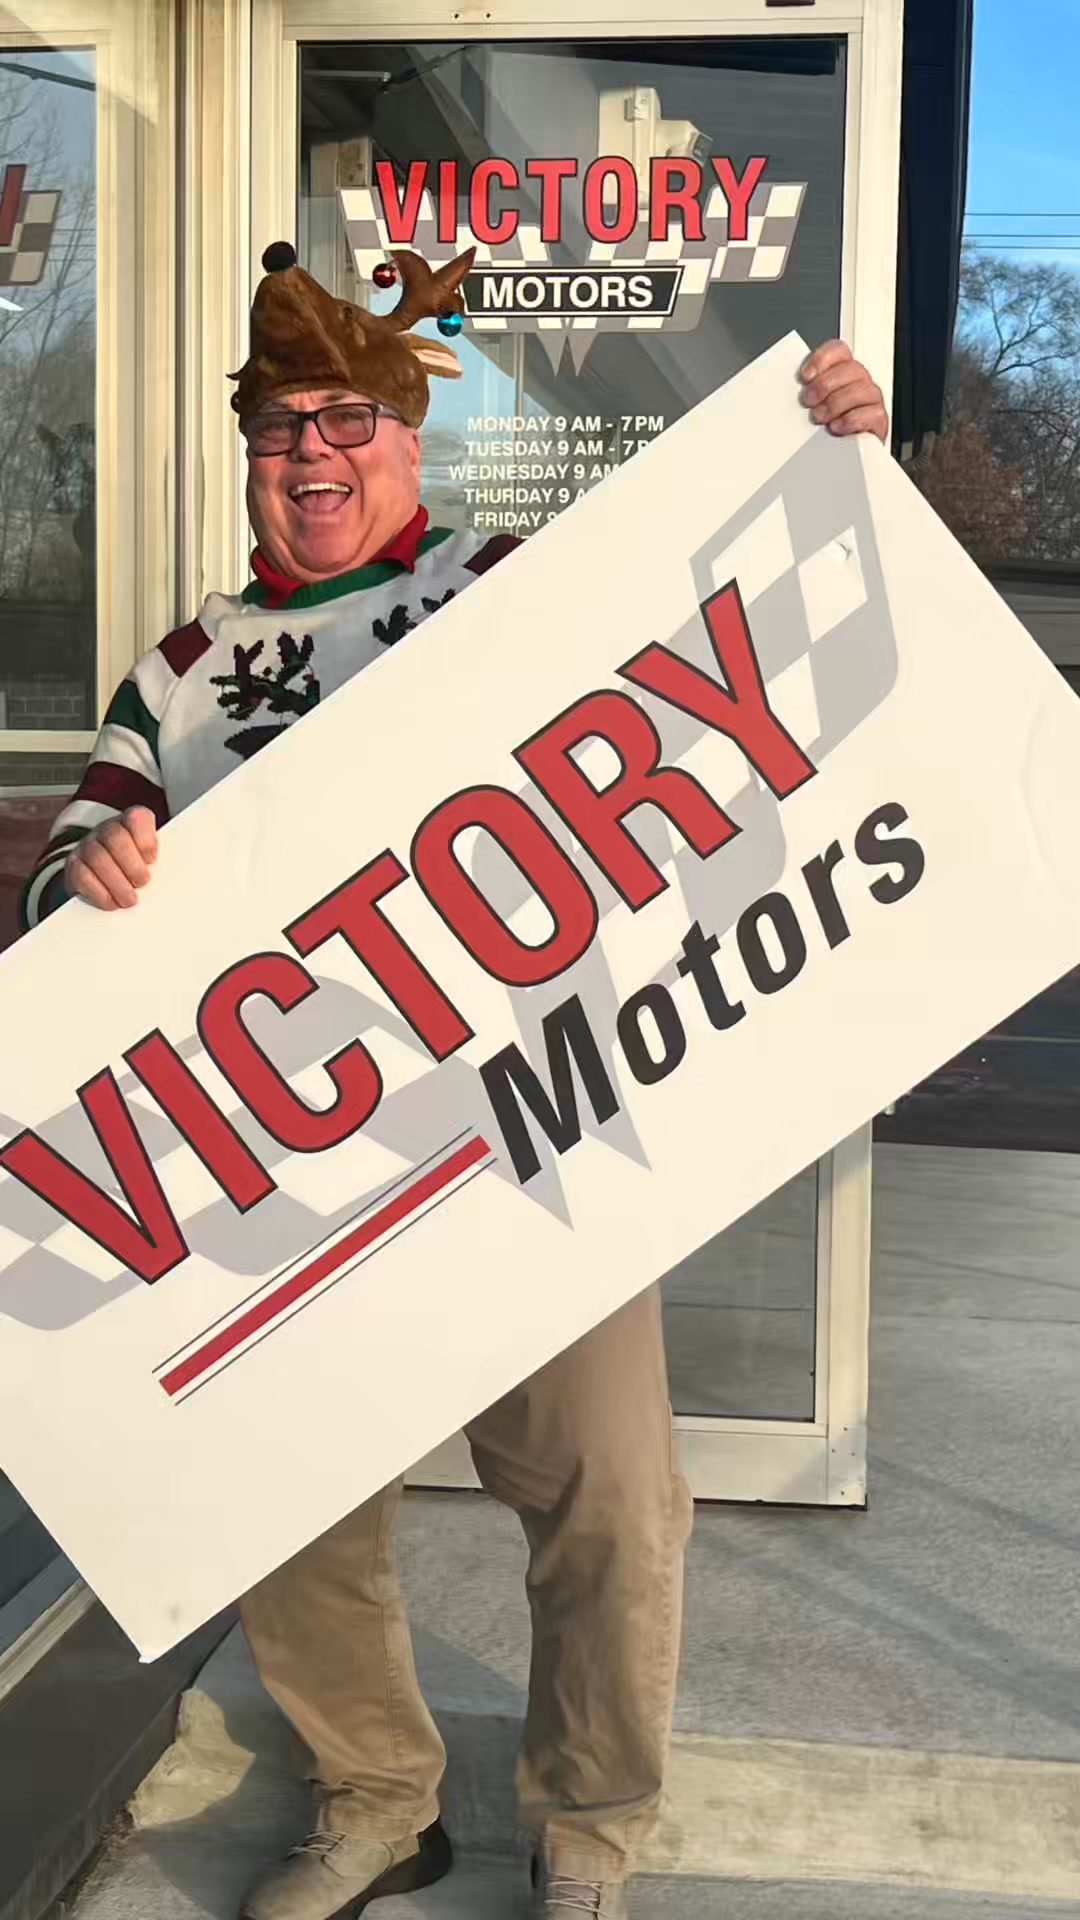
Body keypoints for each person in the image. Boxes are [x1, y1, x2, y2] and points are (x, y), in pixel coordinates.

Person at [21, 242, 888, 1919]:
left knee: (614, 1495)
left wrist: (837, 450)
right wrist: (94, 874)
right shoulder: (181, 667)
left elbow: (732, 632)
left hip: (536, 1125)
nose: (312, 453)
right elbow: (70, 870)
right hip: (294, 1171)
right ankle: (374, 1800)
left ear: (410, 438)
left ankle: (591, 1830)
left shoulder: (509, 582)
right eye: (279, 426)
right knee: (283, 1503)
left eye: (345, 418)